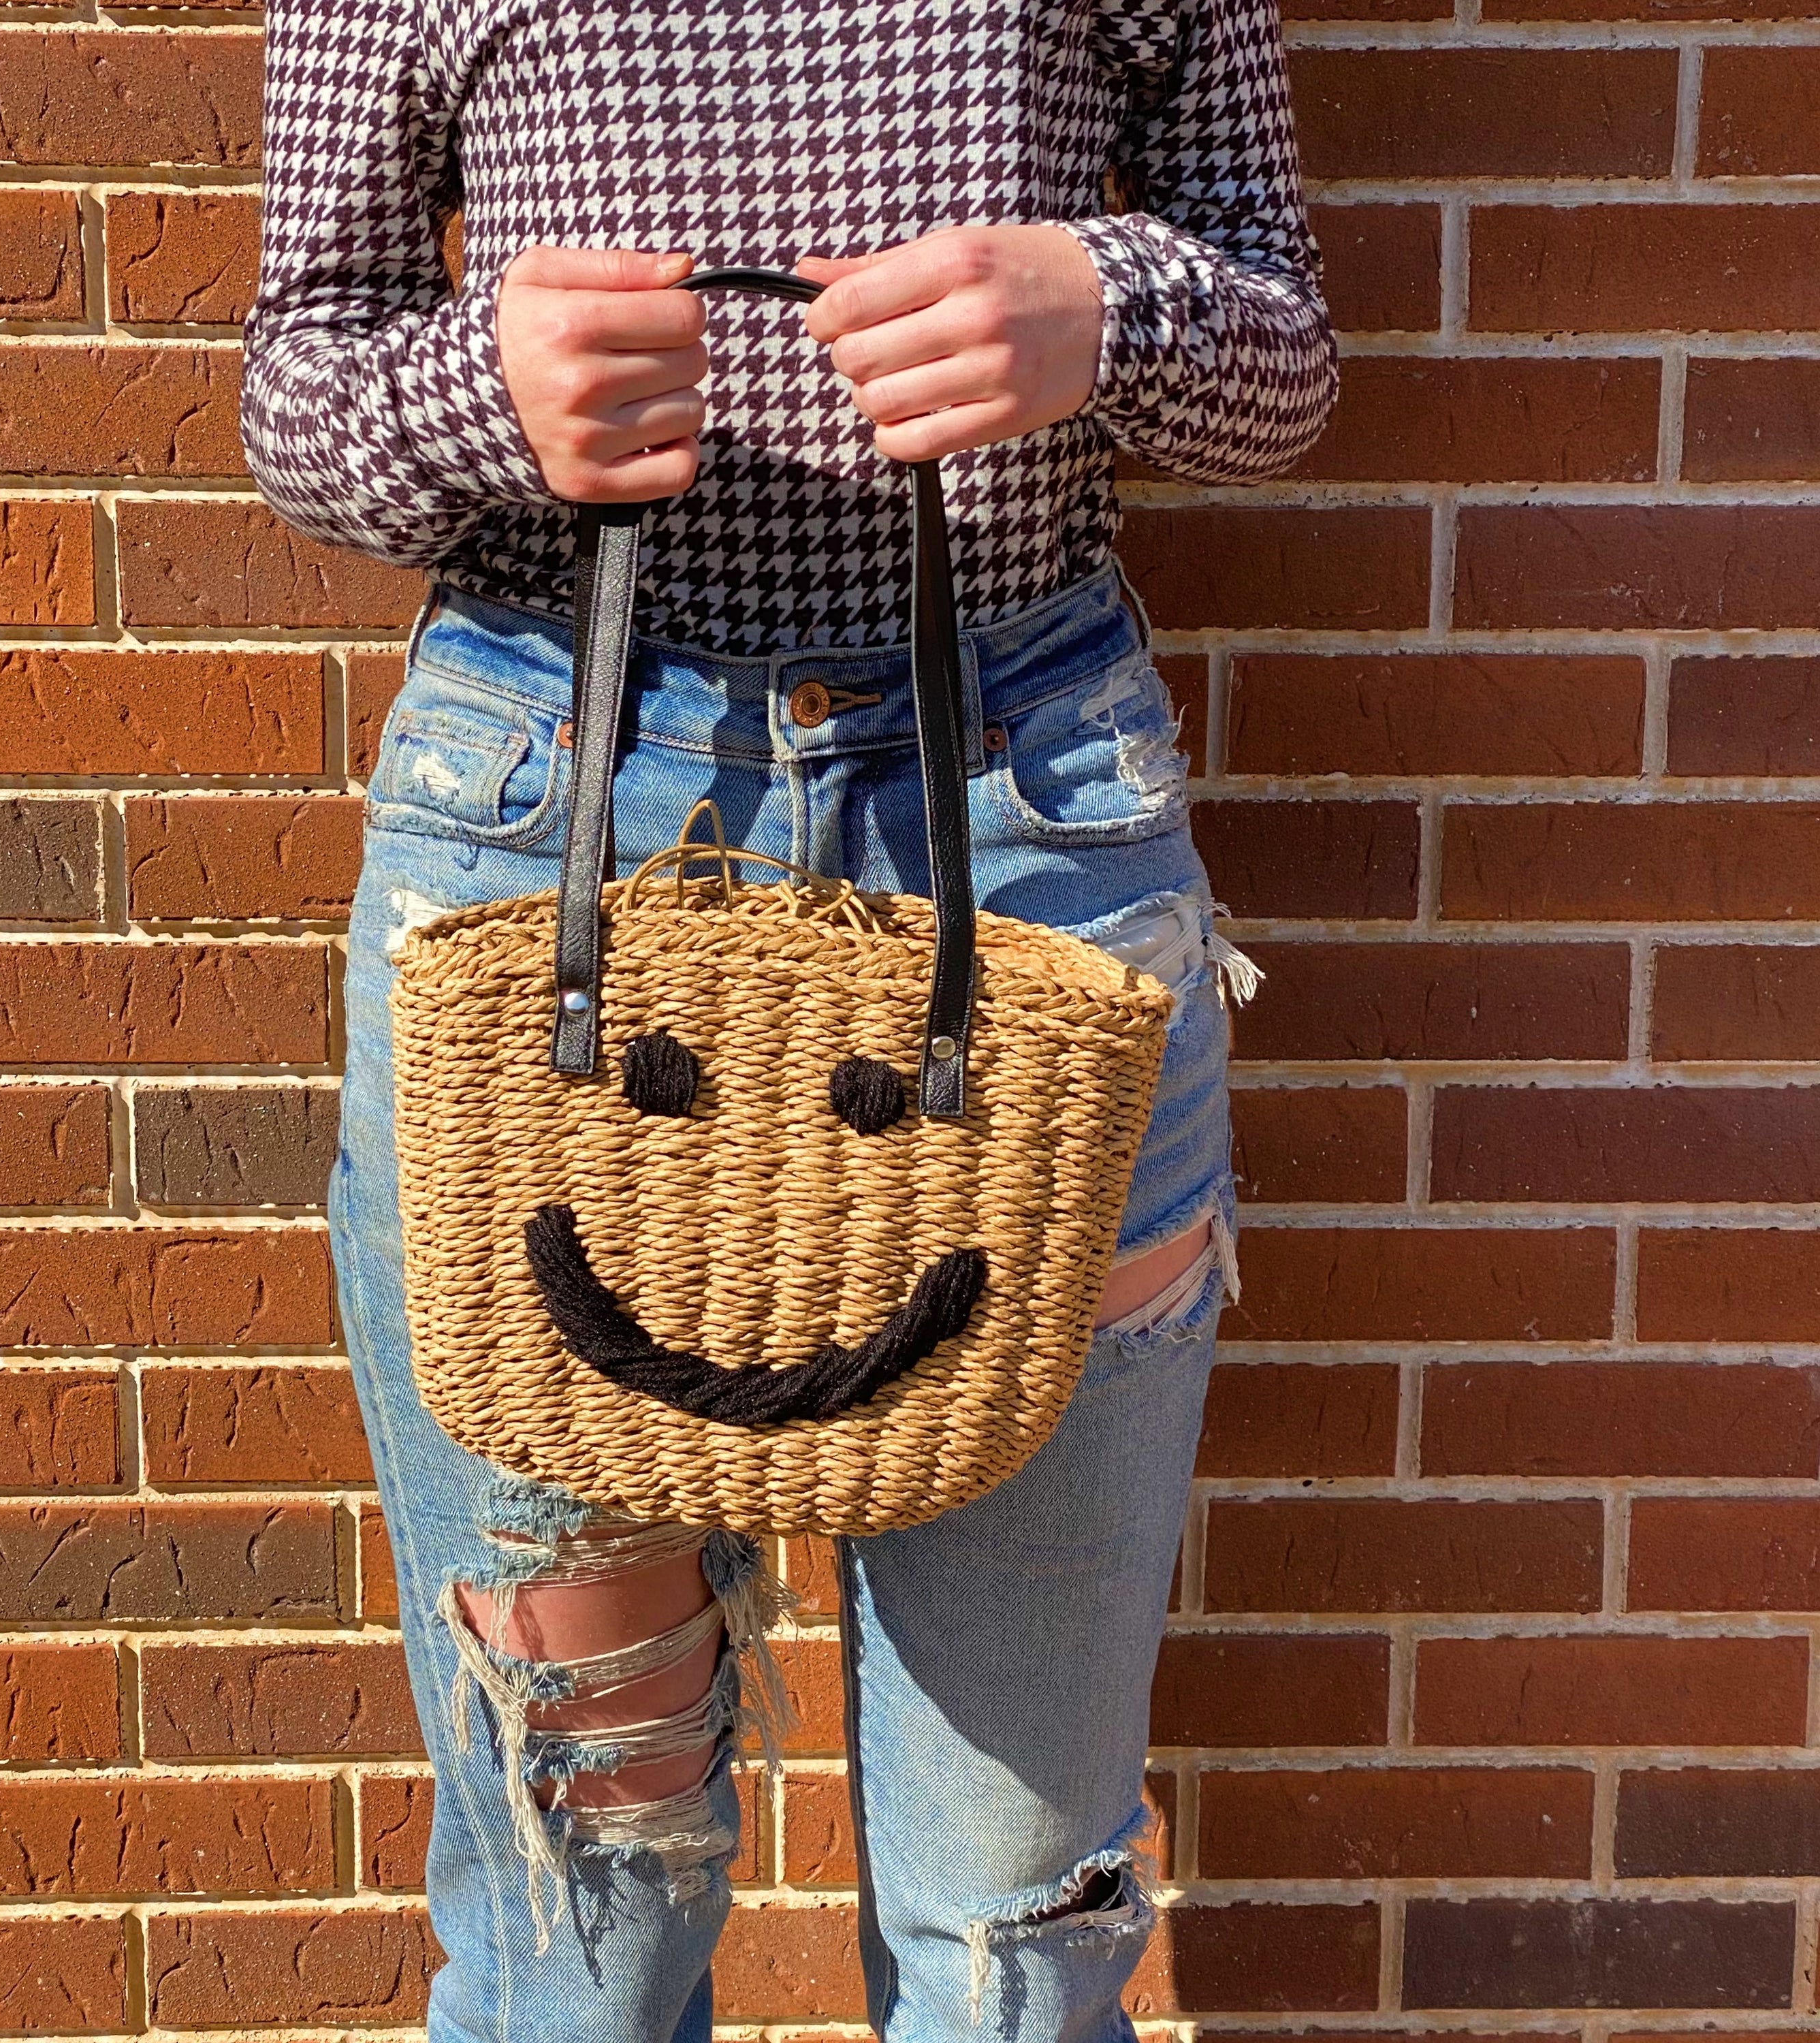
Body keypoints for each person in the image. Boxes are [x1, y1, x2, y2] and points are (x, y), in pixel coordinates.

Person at [242, 0, 1335, 2031]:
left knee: (1013, 1926)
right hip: (551, 835)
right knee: (578, 1905)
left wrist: (1106, 304)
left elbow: (1284, 347)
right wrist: (487, 395)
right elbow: (299, 386)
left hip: (1028, 848)